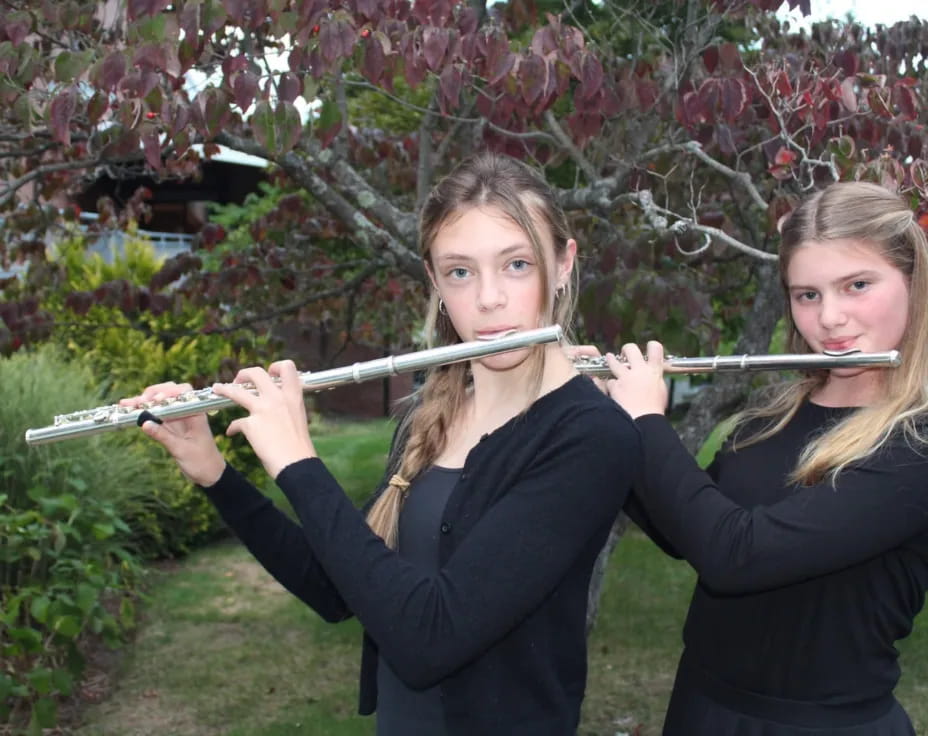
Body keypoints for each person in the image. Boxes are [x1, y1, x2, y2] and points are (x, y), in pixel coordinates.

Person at [122, 152, 641, 735]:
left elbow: (430, 637)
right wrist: (216, 473)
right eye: (461, 272)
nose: (489, 299)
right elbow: (339, 586)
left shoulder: (591, 437)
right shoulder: (429, 415)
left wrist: (299, 463)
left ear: (564, 264)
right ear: (435, 281)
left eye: (517, 264)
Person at [605, 181, 928, 735]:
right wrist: (603, 413)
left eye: (856, 285)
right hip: (701, 709)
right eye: (807, 294)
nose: (830, 318)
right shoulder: (772, 414)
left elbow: (738, 556)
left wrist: (646, 421)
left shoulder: (914, 446)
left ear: (914, 284)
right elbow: (685, 529)